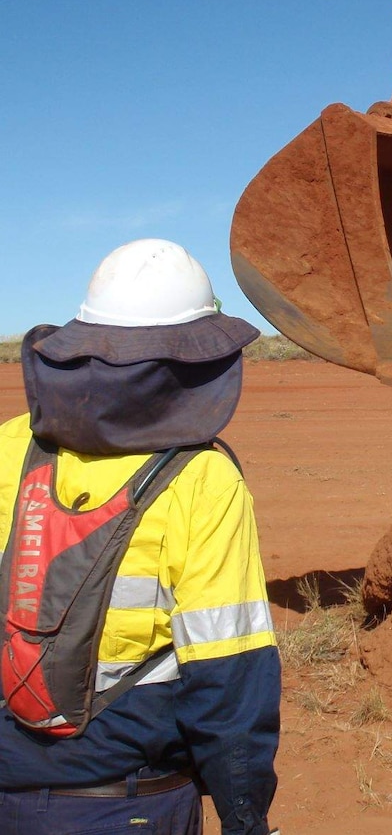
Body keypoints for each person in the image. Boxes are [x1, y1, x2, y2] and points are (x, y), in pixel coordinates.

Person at [0, 239, 281, 835]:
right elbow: (227, 677)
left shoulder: (11, 445)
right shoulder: (203, 478)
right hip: (129, 802)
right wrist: (244, 816)